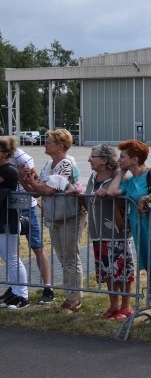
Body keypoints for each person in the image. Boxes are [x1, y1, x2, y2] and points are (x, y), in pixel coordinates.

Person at [100, 140, 151, 328]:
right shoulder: (130, 180)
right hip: (141, 231)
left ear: (135, 159)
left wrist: (147, 197)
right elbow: (112, 192)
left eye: (123, 157)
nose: (119, 159)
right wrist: (121, 172)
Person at [18, 128, 84, 315]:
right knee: (63, 257)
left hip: (69, 216)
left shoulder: (66, 163)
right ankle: (70, 295)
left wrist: (31, 180)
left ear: (60, 146)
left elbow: (48, 190)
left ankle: (74, 299)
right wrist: (24, 179)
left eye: (49, 142)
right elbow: (37, 191)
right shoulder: (49, 164)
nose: (45, 144)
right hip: (54, 216)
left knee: (71, 257)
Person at [84, 144, 136, 320]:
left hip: (117, 232)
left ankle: (126, 306)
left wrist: (108, 192)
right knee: (107, 271)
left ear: (104, 159)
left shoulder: (120, 177)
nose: (89, 159)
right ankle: (114, 305)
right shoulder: (93, 176)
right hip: (98, 233)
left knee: (122, 271)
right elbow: (87, 200)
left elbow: (125, 198)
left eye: (93, 156)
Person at [8, 138, 53, 303]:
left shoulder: (21, 157)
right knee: (11, 248)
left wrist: (24, 178)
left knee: (36, 245)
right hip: (10, 205)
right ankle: (15, 286)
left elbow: (35, 183)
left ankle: (48, 287)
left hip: (27, 205)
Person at [0, 136, 29, 309]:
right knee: (7, 258)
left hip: (8, 221)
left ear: (4, 153)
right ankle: (15, 292)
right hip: (2, 220)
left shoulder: (8, 171)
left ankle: (22, 295)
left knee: (13, 259)